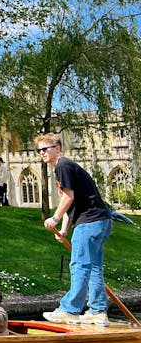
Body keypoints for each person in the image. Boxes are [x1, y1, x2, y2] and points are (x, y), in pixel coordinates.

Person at [37, 132, 113, 325]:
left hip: (89, 222)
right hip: (101, 221)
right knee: (94, 267)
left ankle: (70, 310)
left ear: (58, 149)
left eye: (45, 149)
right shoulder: (66, 167)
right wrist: (64, 230)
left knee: (79, 265)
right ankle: (97, 311)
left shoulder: (63, 165)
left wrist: (54, 218)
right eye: (39, 150)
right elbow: (71, 203)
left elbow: (68, 197)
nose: (42, 153)